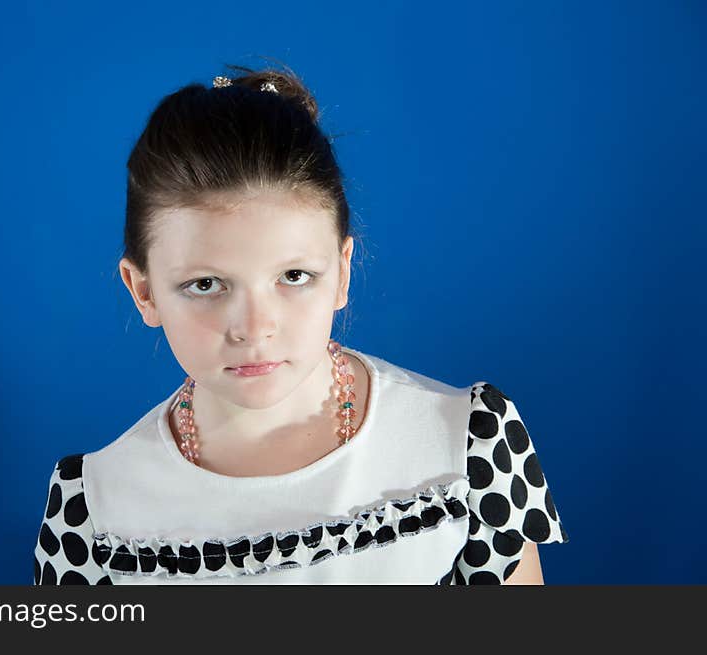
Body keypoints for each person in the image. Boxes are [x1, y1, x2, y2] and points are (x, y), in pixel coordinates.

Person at [33, 62, 569, 585]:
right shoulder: (95, 518)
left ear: (341, 273)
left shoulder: (466, 446)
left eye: (293, 276)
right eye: (206, 285)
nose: (255, 327)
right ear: (143, 291)